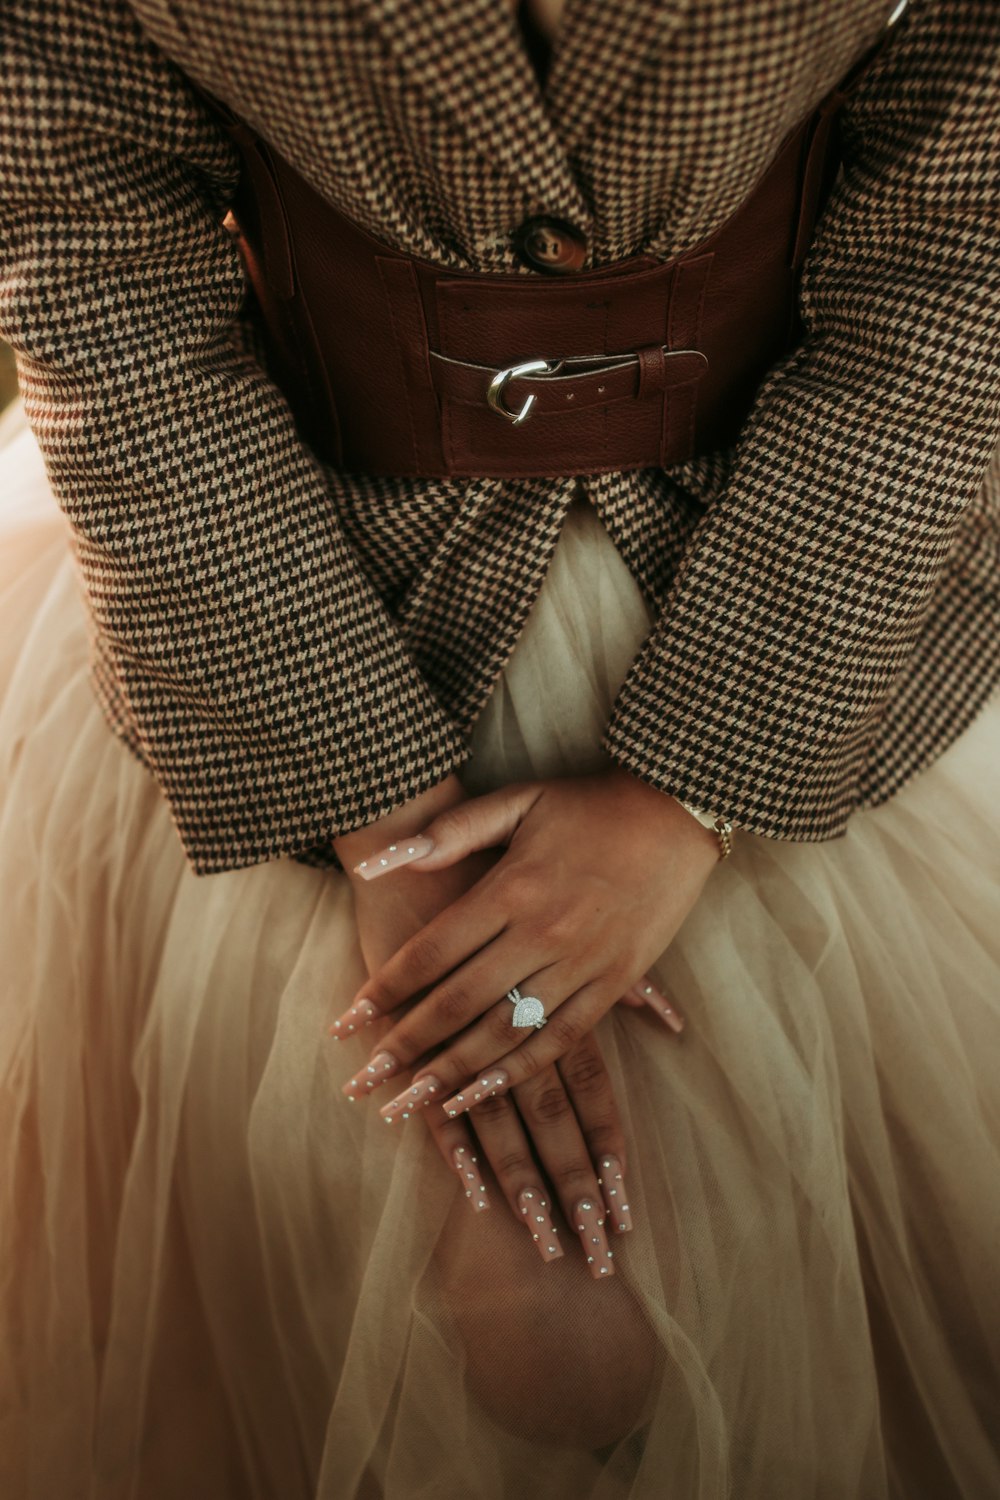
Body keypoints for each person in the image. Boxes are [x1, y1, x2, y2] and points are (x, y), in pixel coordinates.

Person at [1, 0, 998, 1496]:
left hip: (820, 550)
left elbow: (961, 251)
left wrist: (687, 787)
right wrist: (381, 823)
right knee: (524, 1360)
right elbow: (95, 265)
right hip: (292, 581)